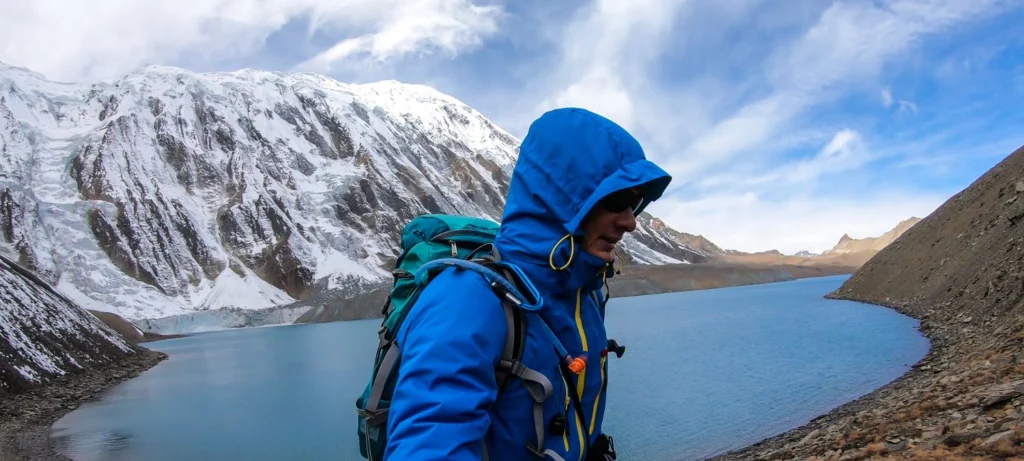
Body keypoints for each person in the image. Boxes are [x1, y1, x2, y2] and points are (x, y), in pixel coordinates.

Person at [384, 107, 672, 460]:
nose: (631, 222)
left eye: (636, 202)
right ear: (562, 197)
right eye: (616, 200)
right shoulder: (466, 301)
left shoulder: (586, 290)